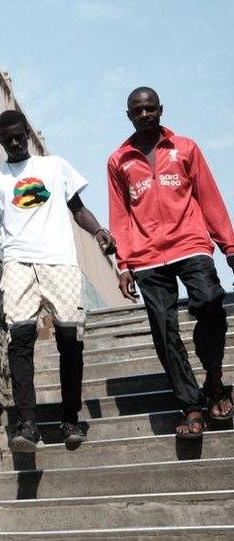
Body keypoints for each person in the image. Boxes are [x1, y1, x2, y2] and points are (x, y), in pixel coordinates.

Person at [0, 110, 116, 453]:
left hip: (60, 261)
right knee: (20, 340)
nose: (13, 143)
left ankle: (70, 418)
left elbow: (78, 208)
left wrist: (99, 230)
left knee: (70, 339)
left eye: (18, 136)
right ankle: (28, 424)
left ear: (26, 132)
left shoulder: (55, 167)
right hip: (18, 263)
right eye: (6, 139)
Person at [108, 86, 234, 439]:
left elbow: (209, 197)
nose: (145, 115)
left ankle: (213, 376)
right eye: (138, 111)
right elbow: (119, 216)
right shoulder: (119, 161)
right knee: (164, 331)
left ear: (160, 110)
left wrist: (229, 246)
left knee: (210, 302)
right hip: (147, 256)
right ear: (129, 116)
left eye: (150, 108)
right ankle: (192, 405)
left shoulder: (186, 148)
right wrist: (123, 263)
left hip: (191, 244)